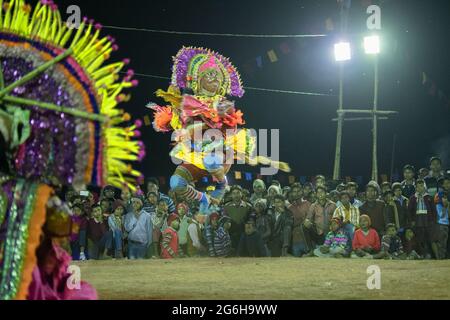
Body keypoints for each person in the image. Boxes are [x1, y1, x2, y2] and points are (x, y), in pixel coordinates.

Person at [408, 179, 439, 259]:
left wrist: (434, 221)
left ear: (424, 187)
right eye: (417, 186)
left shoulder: (429, 197)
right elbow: (410, 211)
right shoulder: (413, 198)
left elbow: (434, 210)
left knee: (431, 239)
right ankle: (423, 254)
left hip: (428, 220)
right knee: (420, 238)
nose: (419, 188)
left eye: (421, 186)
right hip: (418, 220)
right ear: (415, 188)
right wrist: (412, 221)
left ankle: (437, 256)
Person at [223, 185, 252, 250]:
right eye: (234, 193)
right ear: (231, 195)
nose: (236, 195)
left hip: (244, 234)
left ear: (241, 194)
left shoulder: (248, 206)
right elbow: (225, 220)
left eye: (238, 193)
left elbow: (251, 220)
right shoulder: (226, 206)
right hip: (231, 235)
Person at [288, 185, 311, 257]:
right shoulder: (289, 208)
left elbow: (310, 222)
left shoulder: (308, 204)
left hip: (307, 241)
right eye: (294, 192)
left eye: (298, 191)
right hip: (295, 241)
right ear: (291, 193)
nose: (297, 193)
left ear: (302, 192)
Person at [435, 191, 449, 259]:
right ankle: (440, 257)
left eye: (446, 198)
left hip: (446, 225)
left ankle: (443, 257)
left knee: (445, 243)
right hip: (440, 225)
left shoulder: (447, 205)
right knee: (441, 243)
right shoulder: (438, 206)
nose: (445, 199)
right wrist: (445, 207)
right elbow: (441, 215)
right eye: (443, 198)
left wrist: (447, 207)